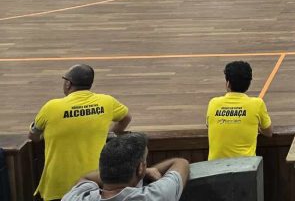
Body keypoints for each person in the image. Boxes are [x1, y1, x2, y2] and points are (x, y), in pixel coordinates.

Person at [30, 64, 133, 201]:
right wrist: (110, 133)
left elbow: (34, 136)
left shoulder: (51, 107)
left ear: (68, 84)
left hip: (59, 186)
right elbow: (126, 118)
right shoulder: (107, 102)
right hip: (94, 184)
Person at [61, 132, 189, 201]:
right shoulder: (156, 195)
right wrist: (146, 171)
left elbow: (86, 178)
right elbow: (180, 163)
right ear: (140, 168)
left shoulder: (72, 198)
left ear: (103, 168)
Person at [206, 61, 272, 160]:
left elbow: (209, 125)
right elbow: (268, 132)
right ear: (248, 83)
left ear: (228, 83)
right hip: (246, 167)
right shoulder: (257, 104)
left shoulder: (213, 103)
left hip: (215, 168)